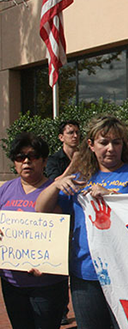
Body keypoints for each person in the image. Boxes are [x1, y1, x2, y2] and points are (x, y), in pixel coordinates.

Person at [36, 115, 128, 329]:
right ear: (91, 145)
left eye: (117, 142)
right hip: (85, 273)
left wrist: (110, 195)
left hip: (126, 271)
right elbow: (42, 208)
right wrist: (57, 185)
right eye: (104, 142)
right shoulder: (80, 177)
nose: (111, 148)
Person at [0, 133, 68, 329]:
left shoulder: (57, 191)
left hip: (47, 284)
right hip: (12, 282)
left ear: (44, 160)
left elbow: (66, 232)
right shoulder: (5, 190)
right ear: (14, 163)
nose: (26, 161)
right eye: (20, 157)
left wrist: (48, 264)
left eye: (33, 156)